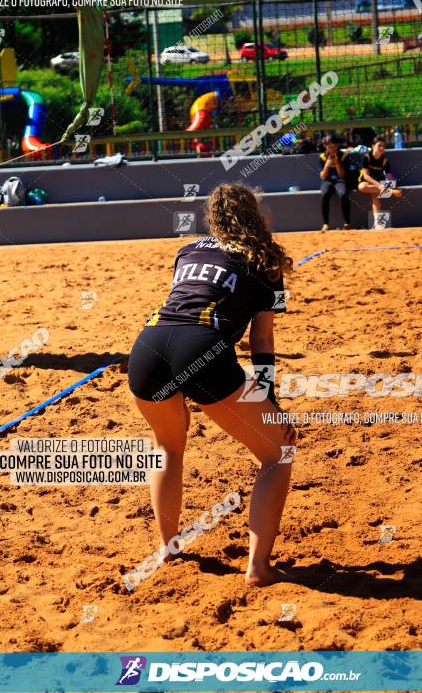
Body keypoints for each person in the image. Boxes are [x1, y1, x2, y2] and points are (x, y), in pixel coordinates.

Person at [128, 183, 296, 587]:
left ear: (213, 217)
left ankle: (169, 548)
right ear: (255, 215)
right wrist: (269, 398)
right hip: (200, 346)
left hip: (148, 344)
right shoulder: (267, 258)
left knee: (167, 446)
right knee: (278, 451)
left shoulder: (187, 251)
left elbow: (186, 298)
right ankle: (257, 568)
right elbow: (262, 342)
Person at [358, 135, 402, 221]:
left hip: (379, 182)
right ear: (373, 146)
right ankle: (391, 192)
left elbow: (389, 177)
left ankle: (378, 224)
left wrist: (396, 188)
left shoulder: (385, 160)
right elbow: (366, 176)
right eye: (379, 145)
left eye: (383, 146)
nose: (382, 148)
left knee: (375, 196)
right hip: (366, 181)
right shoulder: (366, 157)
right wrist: (387, 189)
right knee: (362, 187)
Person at [319, 133, 353, 232]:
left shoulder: (343, 156)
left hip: (340, 180)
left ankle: (347, 222)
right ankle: (326, 224)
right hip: (328, 181)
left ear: (337, 146)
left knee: (343, 194)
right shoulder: (322, 157)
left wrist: (337, 163)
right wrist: (327, 165)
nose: (332, 149)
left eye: (333, 147)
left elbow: (342, 175)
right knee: (324, 194)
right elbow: (323, 176)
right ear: (325, 146)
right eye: (329, 147)